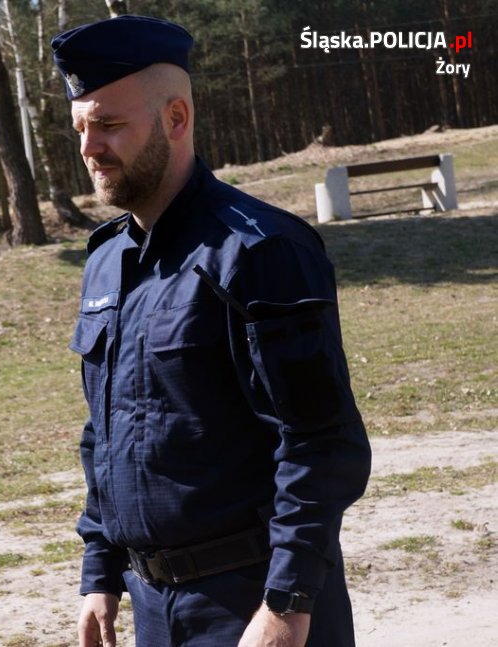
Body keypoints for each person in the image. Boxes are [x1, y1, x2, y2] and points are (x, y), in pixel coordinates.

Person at [52, 15, 371, 647]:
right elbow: (106, 434)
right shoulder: (105, 262)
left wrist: (288, 600)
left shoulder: (259, 251)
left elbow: (320, 442)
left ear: (176, 118)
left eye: (109, 124)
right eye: (81, 128)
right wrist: (101, 573)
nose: (90, 147)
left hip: (251, 603)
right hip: (152, 607)